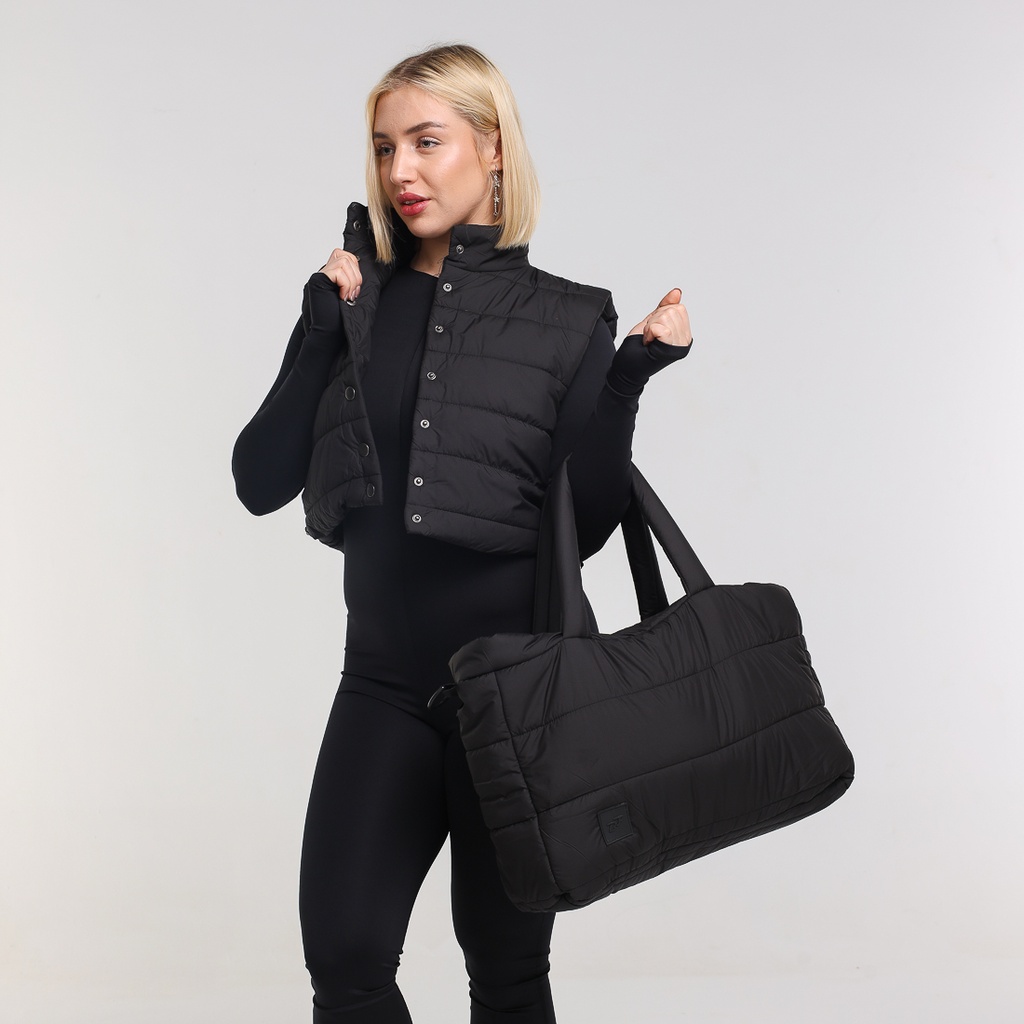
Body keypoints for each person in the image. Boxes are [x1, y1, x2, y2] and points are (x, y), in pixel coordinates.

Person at [232, 43, 692, 1024]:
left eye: (426, 141)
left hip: (518, 697)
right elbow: (257, 482)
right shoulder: (352, 305)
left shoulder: (568, 318)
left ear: (491, 148)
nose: (400, 169)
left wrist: (626, 380)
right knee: (346, 960)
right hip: (380, 687)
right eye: (384, 146)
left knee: (507, 970)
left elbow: (584, 526)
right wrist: (318, 333)